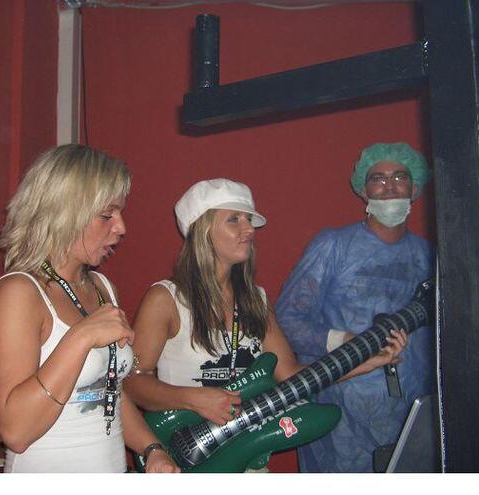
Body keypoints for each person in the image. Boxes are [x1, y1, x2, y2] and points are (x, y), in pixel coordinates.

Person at [124, 178, 407, 469]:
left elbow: (290, 375)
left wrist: (366, 362)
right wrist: (193, 399)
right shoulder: (166, 299)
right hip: (183, 452)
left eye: (249, 220)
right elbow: (132, 381)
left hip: (247, 458)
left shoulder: (255, 300)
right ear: (202, 230)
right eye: (234, 219)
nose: (249, 229)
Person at [0, 144, 179, 473]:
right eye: (107, 215)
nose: (121, 227)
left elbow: (108, 391)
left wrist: (152, 448)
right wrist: (81, 337)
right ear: (65, 213)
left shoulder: (102, 288)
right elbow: (15, 432)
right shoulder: (18, 293)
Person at [275, 142, 435, 472]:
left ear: (415, 188)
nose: (389, 186)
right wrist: (343, 340)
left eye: (400, 177)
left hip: (412, 411)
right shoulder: (334, 246)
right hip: (341, 414)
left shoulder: (429, 257)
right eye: (378, 178)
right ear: (364, 190)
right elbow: (287, 319)